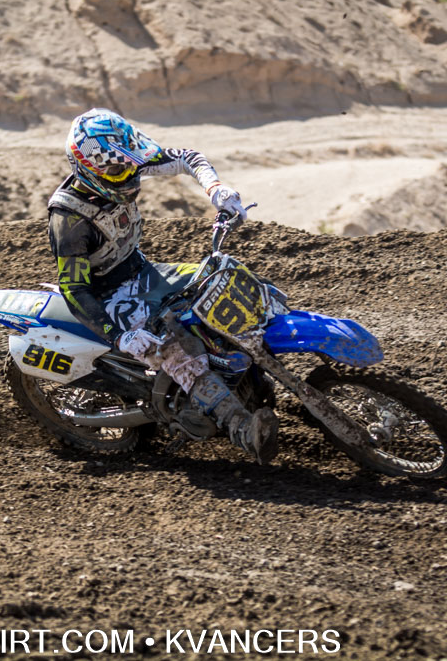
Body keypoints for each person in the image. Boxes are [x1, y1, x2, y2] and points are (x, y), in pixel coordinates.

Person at [46, 108, 279, 464]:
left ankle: (253, 374)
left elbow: (187, 157)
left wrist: (216, 188)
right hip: (109, 297)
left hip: (141, 270)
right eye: (118, 172)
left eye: (130, 165)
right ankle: (240, 427)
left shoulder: (121, 161)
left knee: (224, 278)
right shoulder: (70, 221)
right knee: (177, 347)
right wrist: (120, 336)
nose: (129, 175)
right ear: (89, 169)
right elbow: (74, 289)